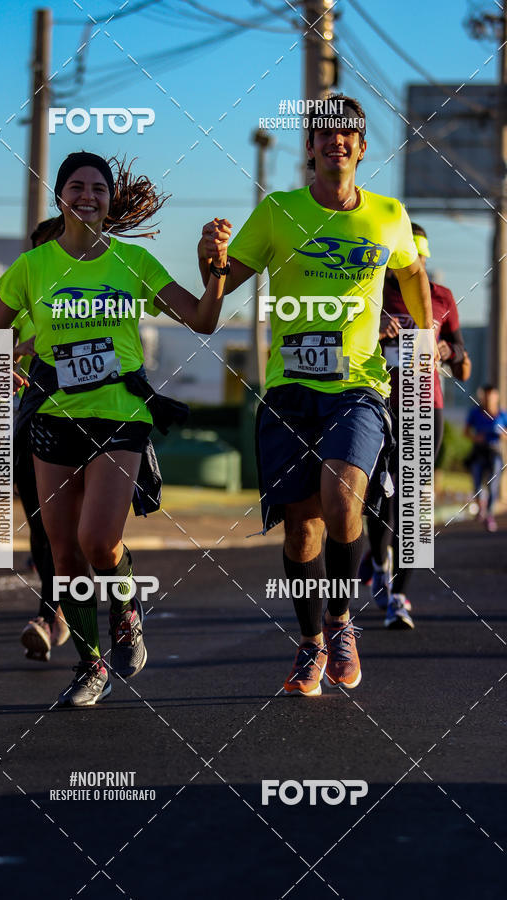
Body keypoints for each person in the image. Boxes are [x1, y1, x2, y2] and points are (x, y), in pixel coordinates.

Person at [198, 94, 437, 697]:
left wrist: (424, 329)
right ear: (309, 147)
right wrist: (213, 259)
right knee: (301, 530)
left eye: (348, 133)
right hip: (287, 389)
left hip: (356, 387)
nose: (336, 140)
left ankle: (341, 623)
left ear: (361, 147)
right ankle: (309, 642)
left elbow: (410, 270)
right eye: (324, 133)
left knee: (343, 500)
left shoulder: (388, 214)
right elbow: (228, 281)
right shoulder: (278, 211)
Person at [0, 151, 229, 707]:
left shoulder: (132, 261)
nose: (87, 195)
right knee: (65, 556)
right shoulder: (31, 268)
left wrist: (217, 270)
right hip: (52, 419)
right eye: (76, 186)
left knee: (98, 541)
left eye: (98, 188)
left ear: (111, 200)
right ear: (59, 195)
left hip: (120, 416)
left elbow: (204, 321)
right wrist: (17, 355)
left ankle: (127, 604)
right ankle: (91, 665)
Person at [365, 223, 471, 627]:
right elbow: (342, 340)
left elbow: (461, 359)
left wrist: (450, 349)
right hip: (378, 404)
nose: (414, 264)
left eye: (419, 258)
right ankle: (378, 561)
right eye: (406, 258)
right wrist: (376, 333)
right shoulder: (372, 290)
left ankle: (401, 595)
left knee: (415, 502)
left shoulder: (441, 297)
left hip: (427, 404)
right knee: (380, 498)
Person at [13, 219, 71, 662]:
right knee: (41, 524)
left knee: (80, 532)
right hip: (33, 415)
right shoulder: (25, 288)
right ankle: (54, 614)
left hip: (88, 416)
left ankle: (57, 615)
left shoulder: (92, 291)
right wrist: (8, 359)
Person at [465, 385, 507, 532]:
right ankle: (480, 506)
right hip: (479, 451)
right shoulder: (475, 413)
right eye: (486, 395)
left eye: (492, 395)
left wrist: (502, 434)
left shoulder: (502, 415)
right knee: (477, 483)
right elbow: (466, 432)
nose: (489, 398)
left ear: (497, 397)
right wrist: (476, 437)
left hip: (495, 452)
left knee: (493, 483)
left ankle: (489, 514)